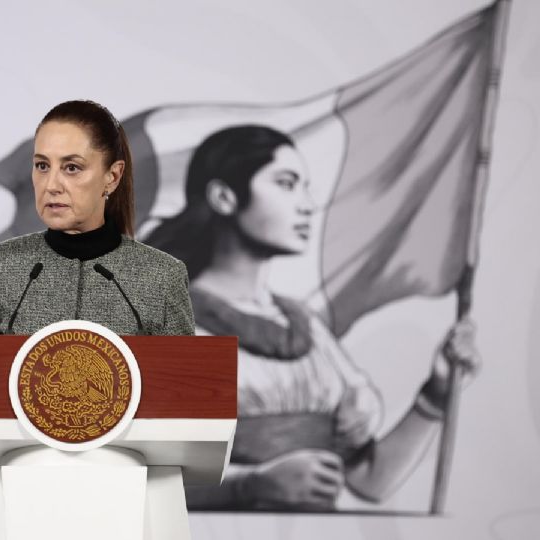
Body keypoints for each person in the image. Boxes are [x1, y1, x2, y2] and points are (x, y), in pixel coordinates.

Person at [144, 125, 480, 511]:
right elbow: (141, 483)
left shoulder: (306, 327)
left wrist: (436, 393)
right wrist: (251, 486)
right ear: (224, 197)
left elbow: (370, 481)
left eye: (305, 186)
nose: (307, 204)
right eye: (286, 184)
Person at [0, 100, 194, 336]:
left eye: (72, 168)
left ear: (112, 177)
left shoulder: (163, 276)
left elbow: (186, 373)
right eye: (42, 165)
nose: (51, 185)